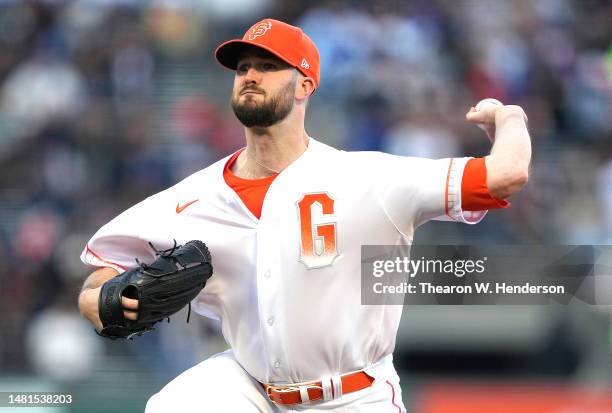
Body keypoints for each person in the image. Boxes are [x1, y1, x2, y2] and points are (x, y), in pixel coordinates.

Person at [77, 18, 531, 412]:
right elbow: (99, 277)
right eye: (242, 68)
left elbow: (506, 174)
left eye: (269, 66)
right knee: (177, 405)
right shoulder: (190, 199)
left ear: (306, 84)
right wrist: (106, 302)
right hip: (250, 390)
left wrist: (511, 118)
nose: (251, 76)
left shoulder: (368, 179)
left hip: (355, 397)